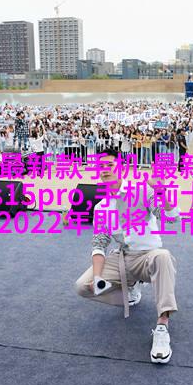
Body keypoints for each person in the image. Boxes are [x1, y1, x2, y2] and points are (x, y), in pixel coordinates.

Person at [74, 148, 180, 364]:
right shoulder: (101, 207)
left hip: (149, 257)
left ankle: (162, 326)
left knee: (163, 256)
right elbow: (99, 244)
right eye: (101, 166)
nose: (105, 170)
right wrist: (97, 277)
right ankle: (130, 289)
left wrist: (161, 191)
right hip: (122, 258)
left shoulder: (142, 190)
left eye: (109, 165)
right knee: (83, 286)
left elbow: (170, 217)